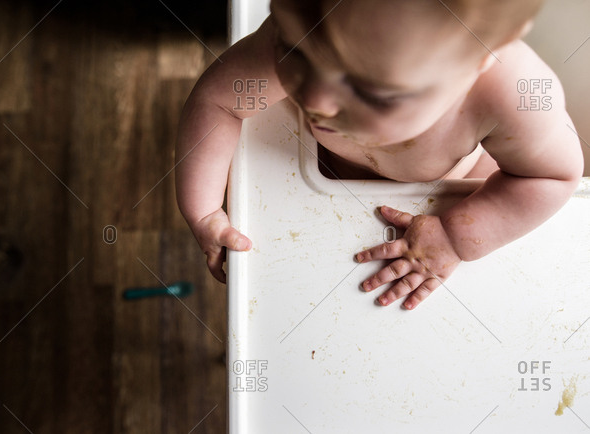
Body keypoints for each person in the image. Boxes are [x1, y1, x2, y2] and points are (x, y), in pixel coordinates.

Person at [175, 0, 583, 310]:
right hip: (316, 182)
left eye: (371, 92)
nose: (315, 101)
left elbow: (554, 176)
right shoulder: (318, 27)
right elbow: (219, 100)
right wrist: (205, 210)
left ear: (481, 58)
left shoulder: (512, 92)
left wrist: (457, 238)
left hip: (451, 185)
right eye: (294, 54)